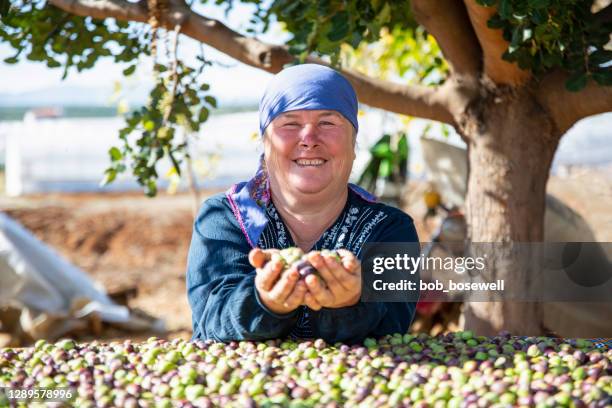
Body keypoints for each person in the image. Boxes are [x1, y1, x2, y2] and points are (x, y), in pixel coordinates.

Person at [186, 64, 420, 344]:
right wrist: (262, 301)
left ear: (353, 142)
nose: (309, 140)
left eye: (328, 123)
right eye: (290, 124)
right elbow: (211, 318)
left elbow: (394, 327)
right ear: (265, 141)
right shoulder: (224, 218)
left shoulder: (391, 230)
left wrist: (352, 302)